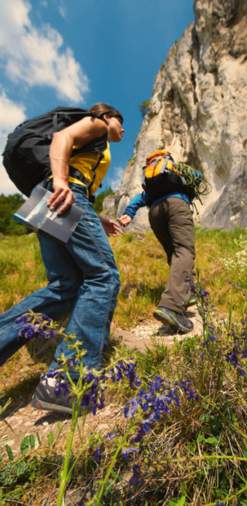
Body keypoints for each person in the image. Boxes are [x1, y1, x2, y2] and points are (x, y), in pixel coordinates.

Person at [0, 103, 124, 414]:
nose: (122, 131)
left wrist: (99, 219)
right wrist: (61, 182)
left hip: (46, 197)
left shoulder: (95, 143)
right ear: (108, 116)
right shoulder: (97, 125)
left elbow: (76, 167)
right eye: (121, 123)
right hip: (63, 192)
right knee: (103, 276)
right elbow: (61, 140)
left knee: (64, 287)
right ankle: (68, 380)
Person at [119, 149, 198, 334]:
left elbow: (140, 198)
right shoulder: (175, 170)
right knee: (184, 251)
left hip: (155, 212)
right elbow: (197, 177)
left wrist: (128, 214)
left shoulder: (151, 180)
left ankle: (186, 292)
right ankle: (172, 306)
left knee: (174, 254)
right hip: (177, 205)